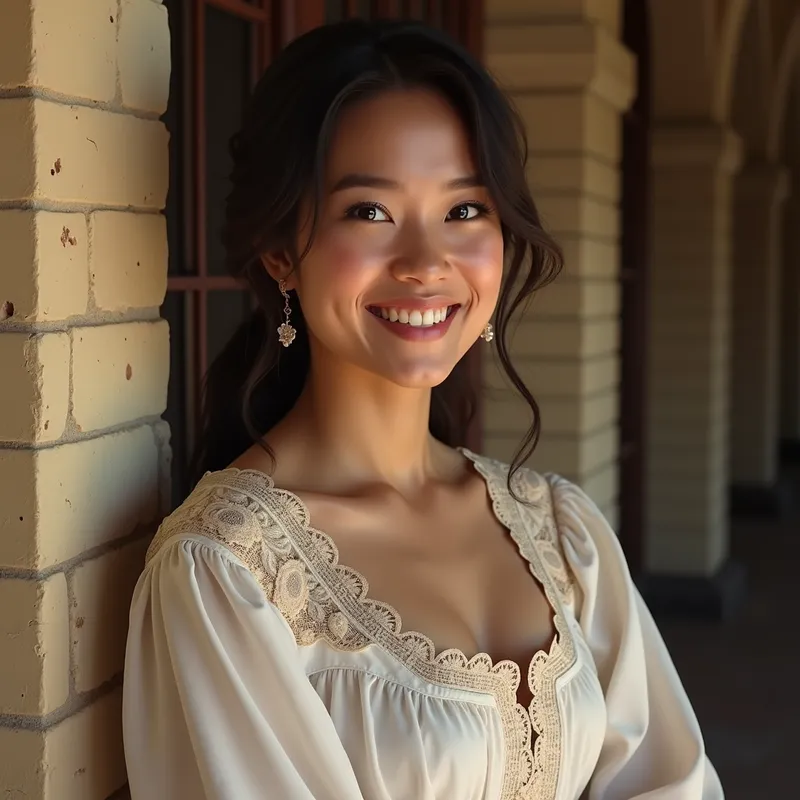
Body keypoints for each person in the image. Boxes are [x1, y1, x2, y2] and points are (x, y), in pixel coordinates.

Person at [122, 18, 724, 800]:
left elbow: (671, 782)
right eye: (369, 212)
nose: (426, 263)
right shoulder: (226, 575)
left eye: (465, 210)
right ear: (280, 252)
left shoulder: (561, 534)